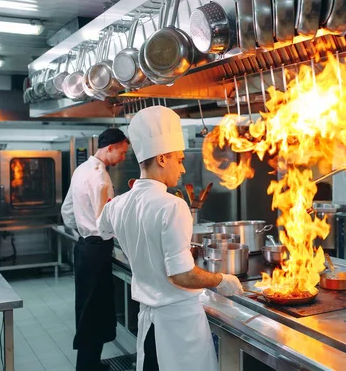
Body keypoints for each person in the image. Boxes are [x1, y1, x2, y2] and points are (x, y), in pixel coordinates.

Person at [97, 106, 244, 371]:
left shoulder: (118, 205)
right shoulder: (172, 206)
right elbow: (182, 275)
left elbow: (102, 228)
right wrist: (221, 280)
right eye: (179, 159)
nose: (183, 169)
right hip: (179, 330)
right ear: (163, 158)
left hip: (150, 327)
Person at [61, 128, 129, 371]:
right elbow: (105, 222)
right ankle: (87, 368)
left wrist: (82, 229)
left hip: (84, 248)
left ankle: (91, 363)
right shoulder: (101, 178)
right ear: (110, 147)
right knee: (95, 310)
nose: (122, 158)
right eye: (121, 152)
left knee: (88, 308)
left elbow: (67, 212)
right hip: (97, 250)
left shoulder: (81, 170)